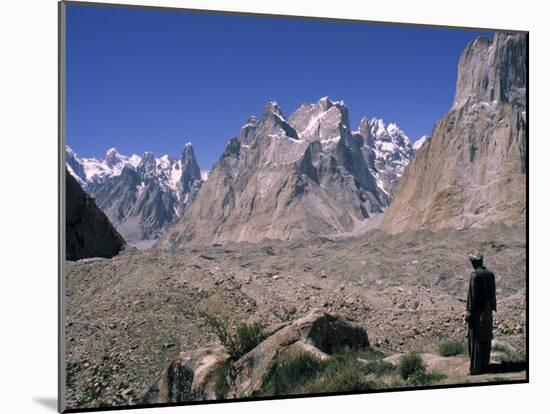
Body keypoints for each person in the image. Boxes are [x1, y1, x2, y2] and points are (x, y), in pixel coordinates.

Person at [465, 250, 497, 375]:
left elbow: (473, 297)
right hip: (488, 311)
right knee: (486, 338)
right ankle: (485, 365)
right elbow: (493, 294)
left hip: (477, 312)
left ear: (474, 262)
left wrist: (469, 312)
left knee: (476, 338)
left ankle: (476, 369)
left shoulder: (475, 275)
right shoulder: (490, 274)